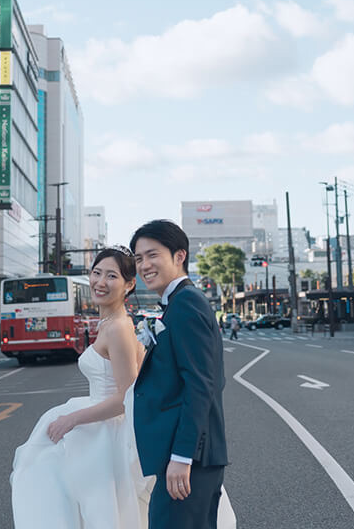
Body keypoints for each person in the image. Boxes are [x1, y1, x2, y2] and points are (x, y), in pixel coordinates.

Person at [11, 246, 151, 528]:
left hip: (109, 432)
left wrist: (72, 419)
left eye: (111, 276)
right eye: (96, 273)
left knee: (98, 510)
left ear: (129, 284)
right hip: (100, 424)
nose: (100, 282)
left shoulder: (118, 329)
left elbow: (127, 397)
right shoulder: (109, 323)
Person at [131, 220, 229, 529]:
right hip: (190, 456)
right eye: (138, 258)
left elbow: (201, 386)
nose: (144, 265)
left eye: (152, 255)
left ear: (179, 256)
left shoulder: (186, 303)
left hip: (192, 458)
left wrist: (182, 456)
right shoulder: (178, 303)